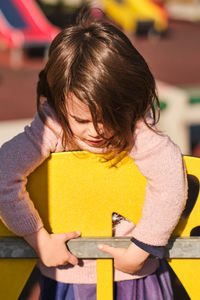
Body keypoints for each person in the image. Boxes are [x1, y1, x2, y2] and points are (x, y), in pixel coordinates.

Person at [0, 8, 187, 300]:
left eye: (108, 116)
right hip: (69, 273)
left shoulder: (136, 128)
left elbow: (171, 179)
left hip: (134, 274)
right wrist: (38, 239)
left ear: (127, 103)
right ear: (61, 107)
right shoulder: (55, 126)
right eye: (82, 121)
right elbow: (4, 173)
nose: (96, 131)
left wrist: (141, 249)